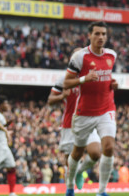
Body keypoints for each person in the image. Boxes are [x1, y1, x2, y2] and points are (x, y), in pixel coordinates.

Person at [63, 21, 118, 196]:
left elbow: (106, 77)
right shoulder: (80, 57)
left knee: (108, 147)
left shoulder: (112, 55)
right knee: (78, 151)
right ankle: (70, 186)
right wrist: (84, 79)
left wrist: (113, 84)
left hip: (106, 109)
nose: (101, 37)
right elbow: (66, 83)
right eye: (97, 34)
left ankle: (101, 191)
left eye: (103, 34)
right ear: (89, 35)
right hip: (84, 112)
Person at [48, 47, 102, 190]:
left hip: (88, 120)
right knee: (69, 161)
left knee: (96, 153)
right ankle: (70, 189)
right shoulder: (64, 79)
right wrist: (62, 96)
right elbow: (50, 100)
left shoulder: (93, 76)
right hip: (69, 124)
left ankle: (80, 171)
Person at [0, 90, 17, 196]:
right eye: (6, 103)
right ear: (1, 104)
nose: (8, 105)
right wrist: (5, 130)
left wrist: (6, 126)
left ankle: (12, 192)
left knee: (11, 166)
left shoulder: (0, 115)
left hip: (3, 145)